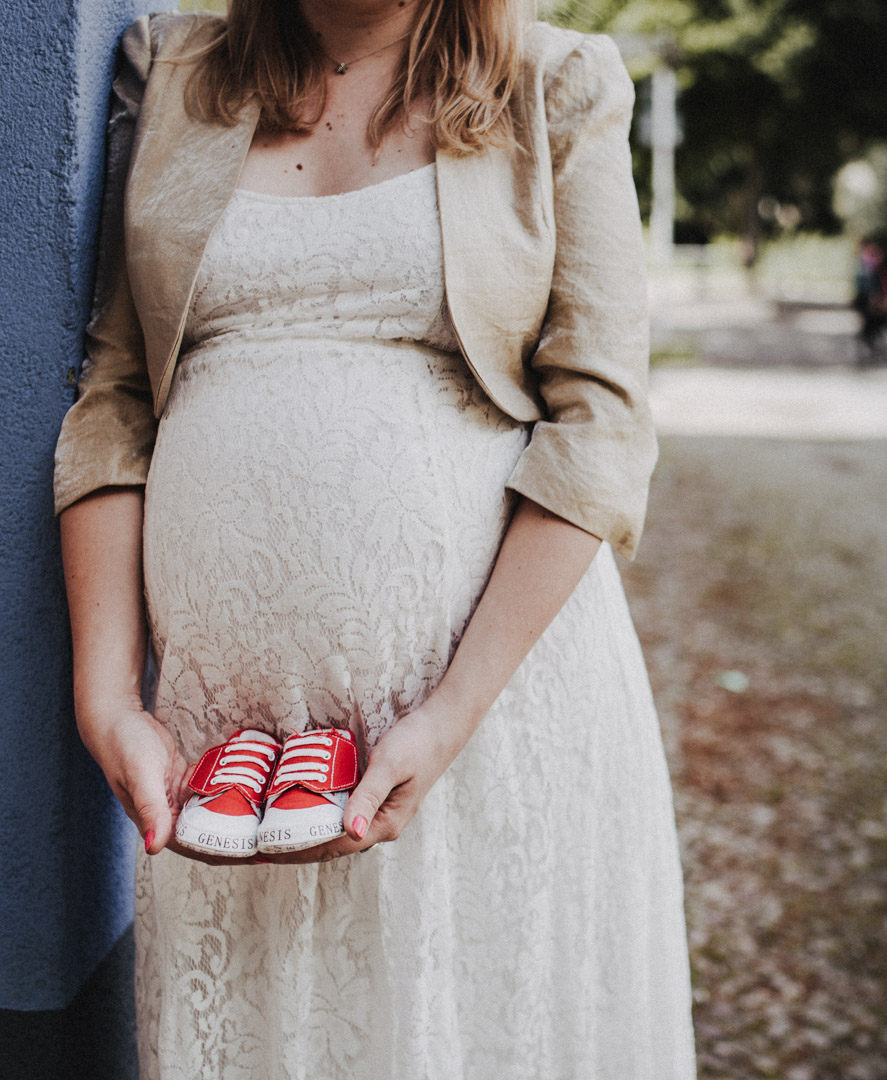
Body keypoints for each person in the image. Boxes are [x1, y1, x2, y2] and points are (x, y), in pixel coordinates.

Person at [53, 4, 695, 1078]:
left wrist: (447, 719)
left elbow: (602, 424)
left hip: (489, 716)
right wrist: (106, 697)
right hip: (224, 752)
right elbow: (113, 398)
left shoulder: (556, 82)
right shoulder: (168, 68)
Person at [851, 237, 887, 367]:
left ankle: (877, 349)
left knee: (876, 327)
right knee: (870, 328)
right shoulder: (865, 265)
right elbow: (864, 285)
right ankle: (875, 349)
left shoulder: (873, 266)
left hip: (878, 301)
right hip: (869, 300)